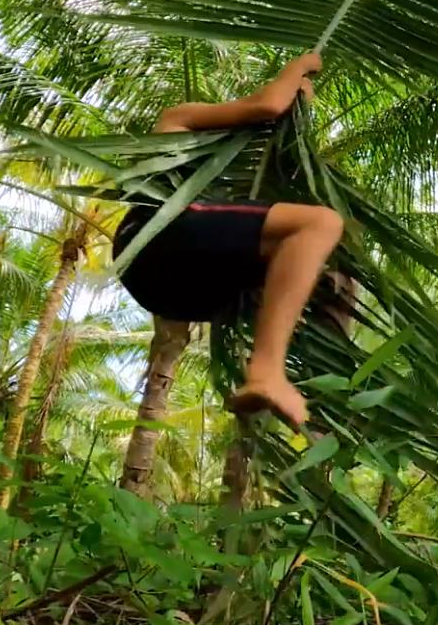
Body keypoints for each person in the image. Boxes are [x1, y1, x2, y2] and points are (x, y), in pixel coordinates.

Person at [113, 52, 343, 430]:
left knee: (309, 263)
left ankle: (315, 393)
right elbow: (267, 104)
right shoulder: (177, 118)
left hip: (166, 289)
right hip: (157, 233)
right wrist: (299, 67)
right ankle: (268, 370)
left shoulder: (221, 197)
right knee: (318, 225)